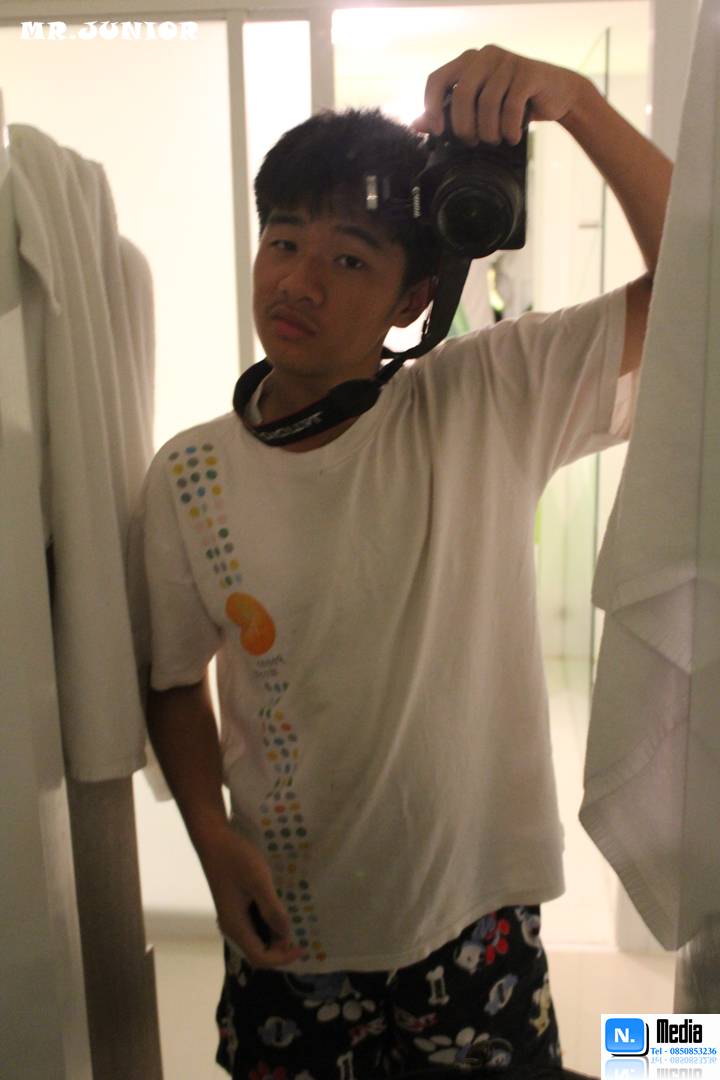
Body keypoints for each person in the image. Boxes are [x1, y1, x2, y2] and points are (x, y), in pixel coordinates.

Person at [128, 45, 672, 1080]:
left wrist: (580, 105)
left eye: (348, 260)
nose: (298, 280)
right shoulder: (189, 476)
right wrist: (209, 835)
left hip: (474, 915)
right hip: (290, 922)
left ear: (413, 298)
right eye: (284, 241)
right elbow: (171, 679)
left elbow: (700, 291)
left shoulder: (485, 398)